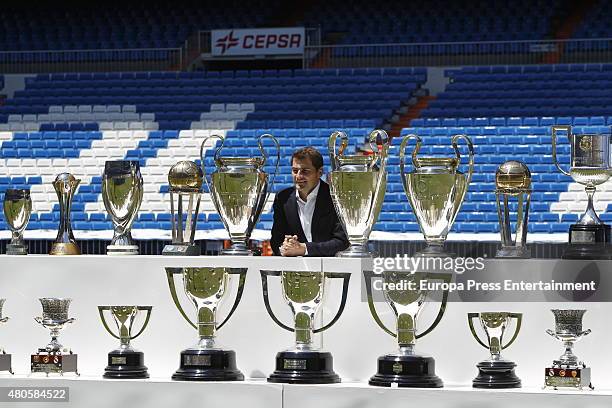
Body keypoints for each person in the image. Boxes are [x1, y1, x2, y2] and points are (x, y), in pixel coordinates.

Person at [270, 147, 349, 257]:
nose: (298, 176)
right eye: (295, 171)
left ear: (319, 172)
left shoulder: (336, 197)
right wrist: (285, 247)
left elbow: (342, 242)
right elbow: (276, 240)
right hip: (294, 268)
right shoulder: (283, 198)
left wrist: (305, 249)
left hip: (331, 268)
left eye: (305, 171)